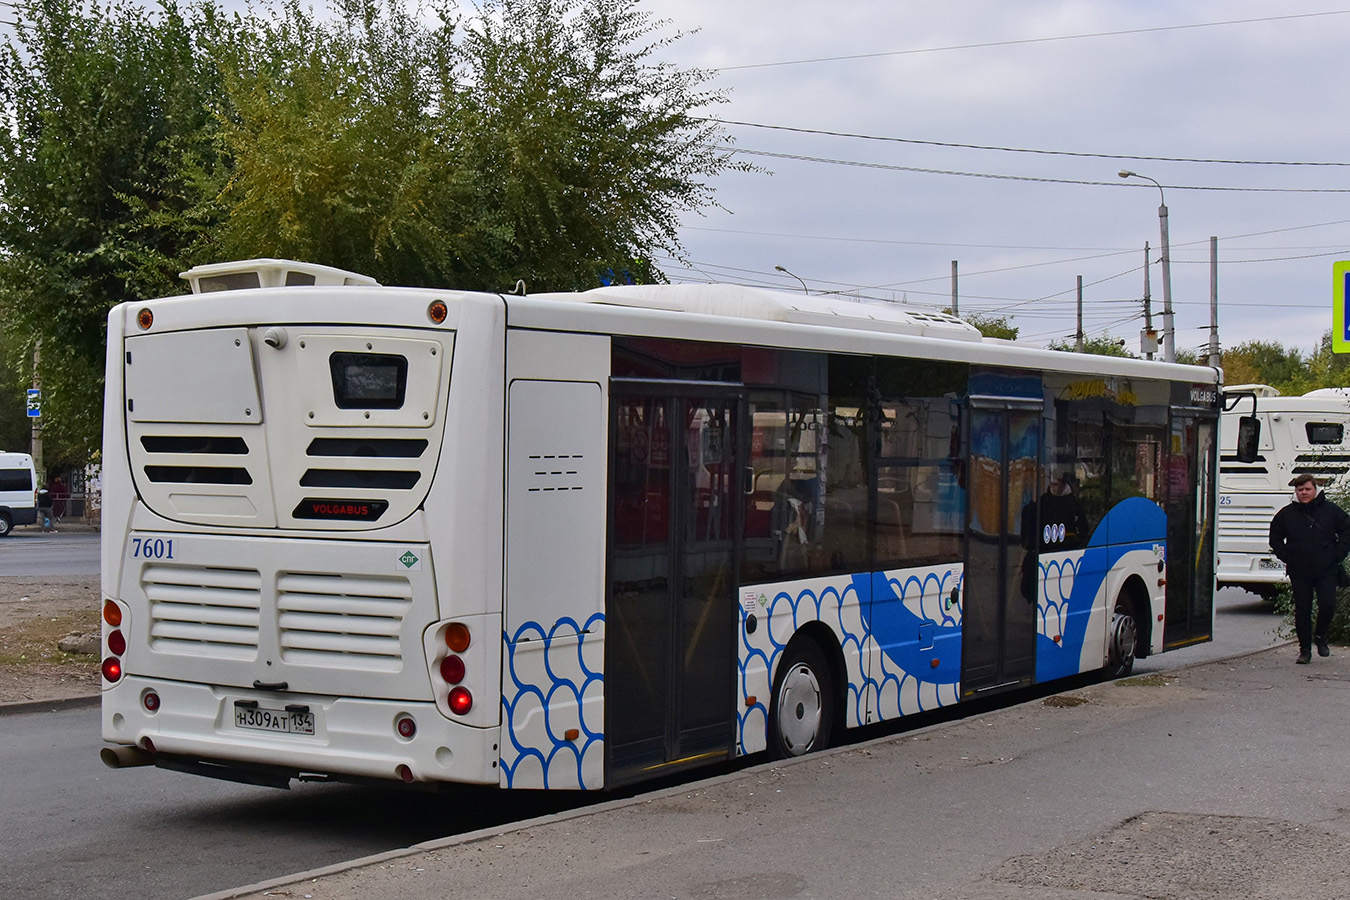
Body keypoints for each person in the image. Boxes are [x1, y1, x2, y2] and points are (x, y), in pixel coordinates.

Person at [1269, 473, 1350, 664]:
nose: (1304, 493)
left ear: (1315, 489)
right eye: (1300, 490)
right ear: (1295, 492)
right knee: (1303, 609)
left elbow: (1347, 531)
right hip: (1300, 570)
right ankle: (1304, 650)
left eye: (1307, 489)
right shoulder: (1286, 514)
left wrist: (1338, 554)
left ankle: (1321, 636)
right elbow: (1275, 538)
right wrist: (1287, 556)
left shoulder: (1331, 511)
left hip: (1327, 569)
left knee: (1327, 604)